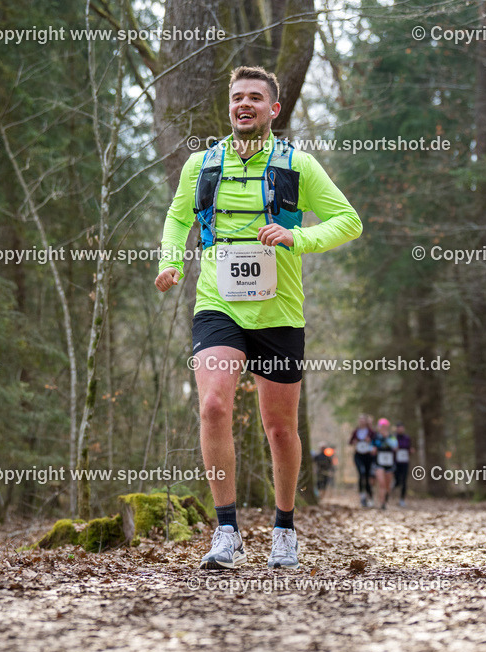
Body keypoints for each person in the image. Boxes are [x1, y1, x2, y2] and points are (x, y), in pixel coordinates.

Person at [155, 66, 363, 570]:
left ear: (273, 109)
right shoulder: (202, 164)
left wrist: (299, 238)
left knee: (279, 428)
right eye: (236, 98)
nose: (243, 105)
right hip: (217, 304)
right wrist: (170, 260)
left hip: (279, 310)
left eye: (254, 98)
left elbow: (349, 221)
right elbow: (178, 217)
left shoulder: (298, 165)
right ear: (229, 108)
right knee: (212, 407)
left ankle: (284, 528)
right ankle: (226, 530)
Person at [349, 414, 376, 507]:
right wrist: (354, 442)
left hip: (368, 456)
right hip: (358, 455)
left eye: (363, 419)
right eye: (360, 419)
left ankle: (370, 496)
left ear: (366, 421)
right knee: (361, 473)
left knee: (368, 477)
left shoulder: (371, 432)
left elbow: (376, 442)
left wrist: (371, 443)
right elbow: (350, 442)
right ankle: (362, 496)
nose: (361, 421)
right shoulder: (356, 431)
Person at [372, 418, 397, 509]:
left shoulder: (391, 436)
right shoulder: (375, 437)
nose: (383, 428)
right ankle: (382, 503)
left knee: (387, 484)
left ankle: (386, 497)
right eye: (381, 426)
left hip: (389, 463)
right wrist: (373, 450)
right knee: (381, 483)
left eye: (385, 427)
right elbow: (371, 447)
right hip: (379, 463)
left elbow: (395, 447)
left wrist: (386, 437)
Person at [393, 423, 411, 507]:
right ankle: (393, 488)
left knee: (404, 481)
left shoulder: (407, 438)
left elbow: (409, 447)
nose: (400, 429)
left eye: (402, 428)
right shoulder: (393, 438)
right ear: (397, 429)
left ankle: (402, 499)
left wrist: (410, 450)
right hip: (396, 462)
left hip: (405, 462)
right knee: (397, 480)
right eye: (399, 428)